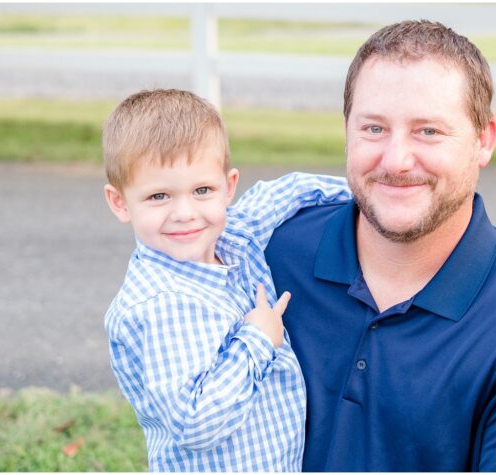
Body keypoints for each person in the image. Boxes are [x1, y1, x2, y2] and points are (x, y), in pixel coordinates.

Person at [264, 20, 496, 471]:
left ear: (483, 140)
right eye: (374, 128)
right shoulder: (273, 254)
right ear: (346, 129)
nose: (396, 160)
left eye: (428, 131)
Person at [101, 89, 352, 471]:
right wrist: (257, 339)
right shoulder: (160, 305)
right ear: (120, 202)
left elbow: (287, 191)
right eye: (158, 197)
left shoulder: (233, 234)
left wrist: (370, 196)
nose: (185, 213)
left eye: (202, 190)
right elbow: (196, 422)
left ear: (228, 187)